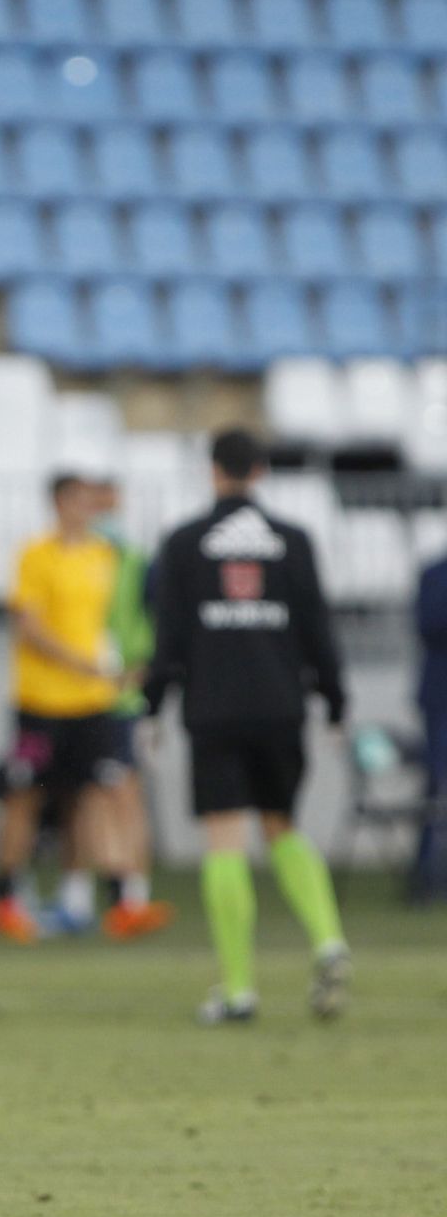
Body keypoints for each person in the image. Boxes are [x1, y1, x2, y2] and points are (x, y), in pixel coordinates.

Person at [146, 430, 352, 1024]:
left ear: (213, 470)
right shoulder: (293, 542)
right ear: (259, 471)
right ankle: (328, 939)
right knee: (283, 826)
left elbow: (171, 638)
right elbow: (318, 629)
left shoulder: (184, 544)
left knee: (225, 836)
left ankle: (238, 990)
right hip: (282, 705)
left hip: (214, 709)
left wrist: (153, 704)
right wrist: (335, 702)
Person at [0, 472, 171, 944]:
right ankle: (6, 897)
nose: (88, 508)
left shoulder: (104, 557)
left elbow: (114, 624)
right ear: (59, 502)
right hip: (41, 700)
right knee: (25, 795)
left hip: (94, 703)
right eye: (79, 499)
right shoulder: (36, 553)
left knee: (102, 794)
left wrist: (124, 670)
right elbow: (27, 624)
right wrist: (84, 664)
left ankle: (121, 900)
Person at [38, 475, 160, 935]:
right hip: (81, 693)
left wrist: (142, 674)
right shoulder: (77, 555)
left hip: (118, 695)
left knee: (120, 793)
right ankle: (83, 895)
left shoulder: (130, 560)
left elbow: (145, 624)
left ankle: (130, 894)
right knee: (80, 797)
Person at [415, 548, 447, 901]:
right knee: (436, 787)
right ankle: (427, 874)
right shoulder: (436, 572)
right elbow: (428, 625)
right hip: (442, 699)